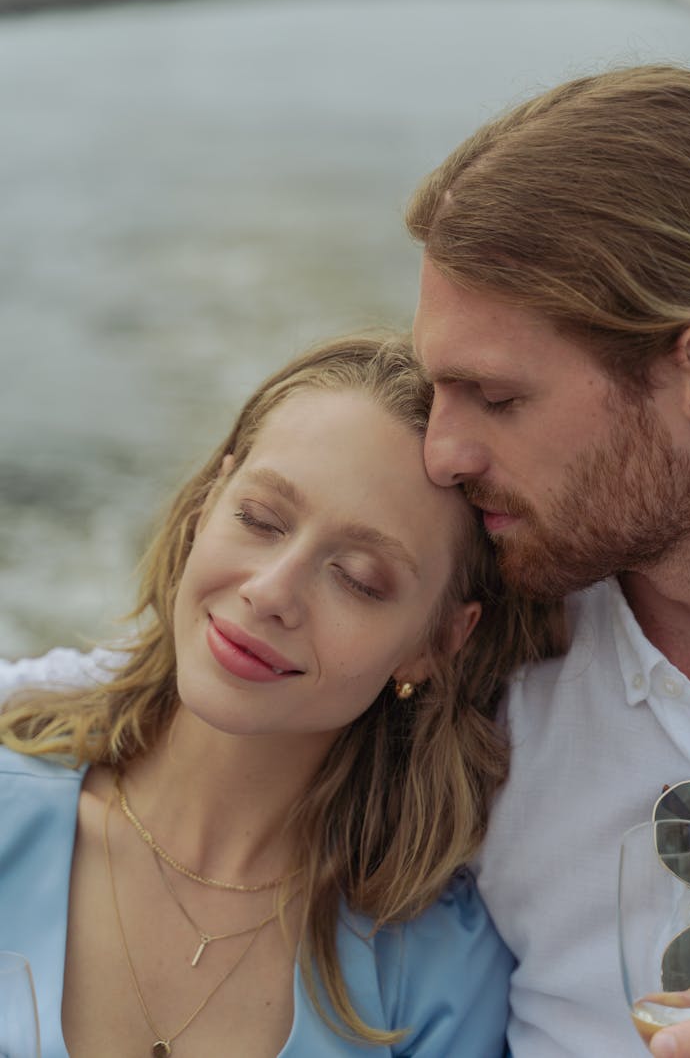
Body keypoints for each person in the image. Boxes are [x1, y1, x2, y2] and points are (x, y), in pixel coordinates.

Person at [0, 332, 562, 1058]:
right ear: (208, 503)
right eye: (260, 520)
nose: (270, 593)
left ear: (438, 642)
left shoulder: (439, 970)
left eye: (358, 576)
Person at [406, 65, 690, 1057]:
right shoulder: (467, 646)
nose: (443, 455)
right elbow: (157, 689)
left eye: (498, 400)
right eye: (438, 393)